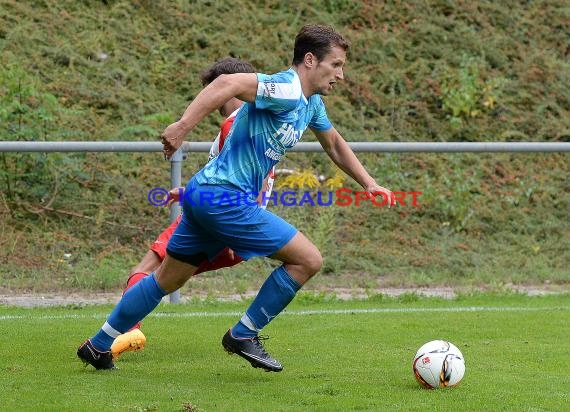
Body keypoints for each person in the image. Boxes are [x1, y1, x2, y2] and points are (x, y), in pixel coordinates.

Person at [77, 24, 393, 372]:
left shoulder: (310, 104)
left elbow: (332, 143)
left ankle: (99, 344)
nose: (341, 75)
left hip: (204, 195)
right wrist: (182, 127)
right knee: (308, 260)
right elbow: (226, 83)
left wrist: (369, 182)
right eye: (336, 64)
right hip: (226, 199)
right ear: (309, 60)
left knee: (166, 279)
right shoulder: (286, 88)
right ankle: (243, 333)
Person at [109, 57, 276, 359]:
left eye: (215, 87)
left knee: (145, 272)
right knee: (163, 279)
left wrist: (233, 217)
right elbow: (237, 179)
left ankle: (120, 335)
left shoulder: (237, 122)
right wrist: (187, 193)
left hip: (220, 221)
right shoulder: (257, 124)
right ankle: (119, 334)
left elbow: (246, 184)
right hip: (235, 231)